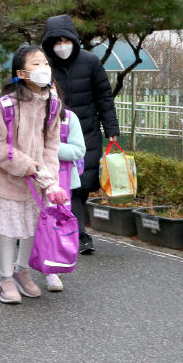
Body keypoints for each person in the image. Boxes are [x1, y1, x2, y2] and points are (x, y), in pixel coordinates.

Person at [0, 44, 67, 304]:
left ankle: (21, 271)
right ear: (20, 72)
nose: (43, 69)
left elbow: (52, 143)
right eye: (36, 64)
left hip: (38, 180)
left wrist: (48, 174)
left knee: (33, 227)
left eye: (45, 63)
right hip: (6, 179)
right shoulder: (5, 105)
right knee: (8, 230)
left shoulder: (53, 103)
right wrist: (26, 165)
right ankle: (5, 278)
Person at [41, 15, 120, 254]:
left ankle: (70, 225)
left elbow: (104, 97)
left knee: (83, 184)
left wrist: (112, 130)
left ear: (74, 39)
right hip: (54, 134)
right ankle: (79, 233)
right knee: (64, 185)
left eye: (66, 40)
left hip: (87, 133)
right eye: (56, 41)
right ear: (48, 44)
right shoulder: (43, 66)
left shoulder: (91, 62)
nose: (62, 45)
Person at [45, 83, 86, 292]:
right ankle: (20, 268)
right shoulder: (25, 116)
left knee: (56, 225)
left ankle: (53, 272)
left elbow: (78, 150)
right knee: (31, 225)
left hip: (61, 181)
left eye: (50, 85)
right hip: (31, 179)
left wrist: (49, 147)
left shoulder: (69, 118)